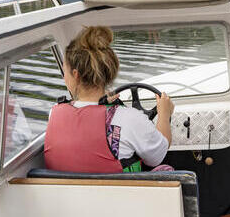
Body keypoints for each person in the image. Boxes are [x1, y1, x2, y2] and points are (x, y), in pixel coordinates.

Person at [44, 26, 175, 173]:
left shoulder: (54, 114)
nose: (64, 76)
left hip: (66, 195)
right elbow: (157, 156)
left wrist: (102, 105)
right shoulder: (130, 119)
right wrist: (164, 113)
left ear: (75, 75)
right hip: (120, 195)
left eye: (64, 70)